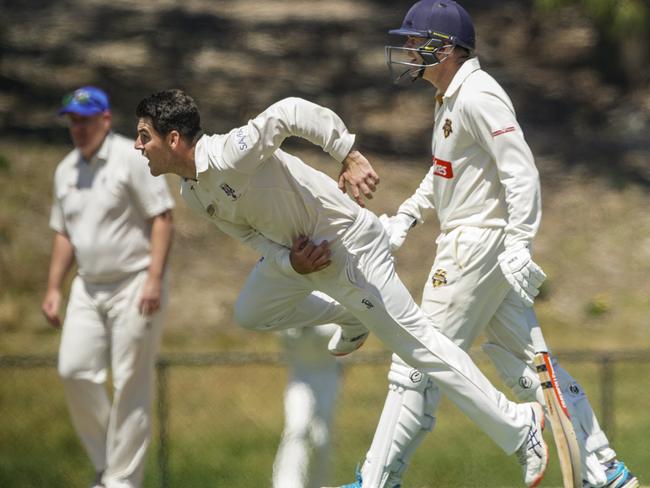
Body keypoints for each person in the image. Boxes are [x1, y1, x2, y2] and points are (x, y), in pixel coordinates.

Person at [135, 89, 548, 487]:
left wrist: (347, 154)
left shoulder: (228, 152)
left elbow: (289, 111)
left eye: (144, 136)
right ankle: (349, 314)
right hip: (302, 259)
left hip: (351, 247)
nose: (139, 146)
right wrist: (287, 262)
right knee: (251, 312)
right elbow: (250, 237)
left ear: (173, 139)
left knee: (419, 349)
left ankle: (518, 425)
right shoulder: (192, 192)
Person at [336, 1, 640, 488]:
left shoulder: (479, 95)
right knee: (526, 362)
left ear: (447, 48)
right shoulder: (450, 99)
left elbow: (519, 168)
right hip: (477, 243)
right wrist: (410, 215)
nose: (409, 49)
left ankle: (376, 480)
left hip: (476, 245)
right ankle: (603, 469)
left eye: (417, 41)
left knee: (415, 358)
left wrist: (520, 239)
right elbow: (444, 172)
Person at [42, 86, 174, 488]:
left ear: (104, 119)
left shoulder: (129, 158)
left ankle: (121, 481)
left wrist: (153, 280)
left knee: (132, 378)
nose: (78, 128)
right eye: (73, 121)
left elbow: (163, 218)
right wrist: (53, 287)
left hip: (135, 282)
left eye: (85, 120)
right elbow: (64, 233)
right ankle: (106, 464)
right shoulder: (66, 170)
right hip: (88, 285)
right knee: (74, 370)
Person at [273, 324, 341, 488]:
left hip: (328, 376)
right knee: (297, 428)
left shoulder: (330, 307)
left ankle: (317, 483)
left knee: (321, 438)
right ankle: (286, 483)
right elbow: (279, 329)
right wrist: (299, 325)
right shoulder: (290, 307)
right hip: (301, 377)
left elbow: (339, 332)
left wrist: (312, 324)